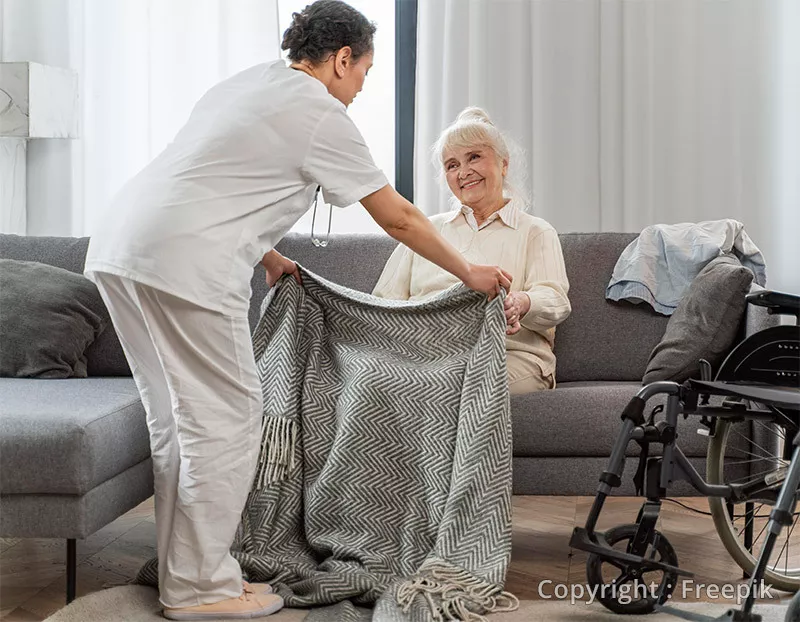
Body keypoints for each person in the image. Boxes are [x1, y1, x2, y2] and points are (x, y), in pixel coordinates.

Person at [83, 2, 512, 620]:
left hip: (123, 248)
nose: (361, 88)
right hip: (187, 267)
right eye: (364, 72)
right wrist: (469, 270)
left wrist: (268, 253)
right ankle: (202, 589)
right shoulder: (319, 112)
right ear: (341, 60)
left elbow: (217, 179)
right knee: (228, 423)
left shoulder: (249, 83)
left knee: (176, 423)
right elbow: (398, 215)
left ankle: (192, 578)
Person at [373, 107, 571, 395]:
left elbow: (555, 300)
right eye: (452, 165)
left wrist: (521, 302)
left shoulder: (535, 231)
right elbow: (384, 303)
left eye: (474, 157)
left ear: (504, 164)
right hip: (429, 356)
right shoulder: (425, 231)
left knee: (451, 385)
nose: (464, 172)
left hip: (508, 355)